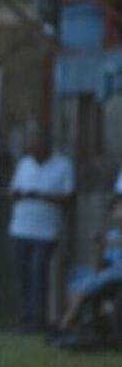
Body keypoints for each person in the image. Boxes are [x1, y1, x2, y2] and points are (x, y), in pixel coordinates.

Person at [7, 125, 74, 333]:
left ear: (47, 144)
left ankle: (39, 320)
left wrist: (43, 196)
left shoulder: (63, 164)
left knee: (39, 275)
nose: (32, 147)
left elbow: (70, 196)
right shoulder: (24, 164)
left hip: (46, 232)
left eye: (37, 143)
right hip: (20, 228)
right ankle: (27, 318)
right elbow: (13, 191)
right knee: (24, 275)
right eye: (31, 143)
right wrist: (18, 194)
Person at [52, 194, 122, 344]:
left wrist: (106, 241)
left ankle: (64, 326)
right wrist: (99, 247)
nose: (118, 211)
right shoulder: (111, 235)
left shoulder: (111, 238)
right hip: (108, 273)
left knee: (85, 286)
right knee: (77, 275)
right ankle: (76, 323)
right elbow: (99, 266)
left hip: (118, 274)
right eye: (116, 208)